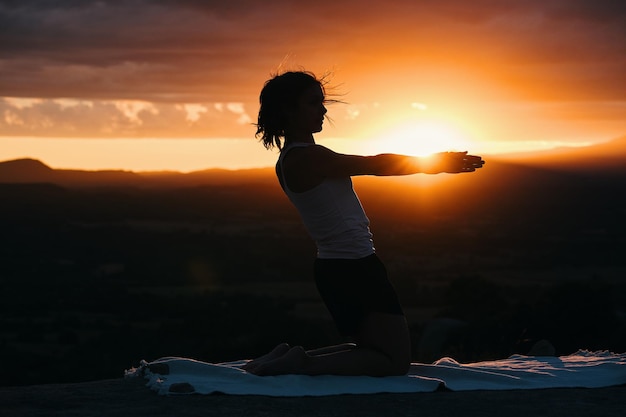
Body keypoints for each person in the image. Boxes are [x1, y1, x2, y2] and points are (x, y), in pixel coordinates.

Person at [243, 71, 484, 377]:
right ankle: (302, 363)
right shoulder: (308, 158)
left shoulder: (292, 158)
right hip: (352, 268)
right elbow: (374, 163)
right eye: (313, 103)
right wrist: (435, 162)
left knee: (373, 352)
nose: (323, 110)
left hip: (340, 267)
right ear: (288, 110)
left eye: (323, 102)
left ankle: (291, 357)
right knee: (394, 363)